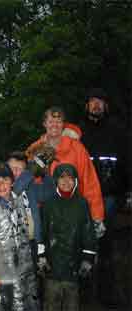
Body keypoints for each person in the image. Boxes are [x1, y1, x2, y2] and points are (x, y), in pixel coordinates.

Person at [79, 88, 130, 306]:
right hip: (83, 198)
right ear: (86, 106)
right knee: (83, 245)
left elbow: (128, 161)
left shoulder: (118, 131)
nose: (96, 105)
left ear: (105, 106)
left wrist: (128, 191)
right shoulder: (77, 133)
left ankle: (107, 293)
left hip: (109, 196)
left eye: (100, 101)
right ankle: (84, 293)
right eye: (92, 101)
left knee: (105, 245)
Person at [26, 106, 105, 238]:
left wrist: (96, 216)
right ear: (44, 124)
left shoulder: (77, 148)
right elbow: (30, 183)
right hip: (46, 213)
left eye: (58, 121)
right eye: (51, 121)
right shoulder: (35, 148)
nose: (54, 125)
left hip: (75, 211)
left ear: (63, 124)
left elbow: (90, 181)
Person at [0, 162, 39, 311]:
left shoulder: (17, 201)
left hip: (24, 266)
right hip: (2, 270)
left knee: (26, 301)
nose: (1, 184)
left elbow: (24, 230)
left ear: (12, 181)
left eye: (5, 179)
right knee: (5, 303)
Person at [39, 163, 97, 311]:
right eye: (62, 178)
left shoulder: (82, 204)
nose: (66, 181)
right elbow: (41, 233)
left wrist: (87, 259)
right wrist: (41, 257)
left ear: (75, 181)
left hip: (73, 267)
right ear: (56, 181)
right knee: (51, 304)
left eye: (70, 178)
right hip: (52, 267)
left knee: (72, 305)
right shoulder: (47, 204)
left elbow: (88, 232)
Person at [6, 151, 54, 263]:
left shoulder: (30, 187)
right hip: (13, 247)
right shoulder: (2, 189)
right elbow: (14, 192)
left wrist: (43, 172)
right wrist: (30, 172)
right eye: (11, 168)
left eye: (19, 169)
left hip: (33, 241)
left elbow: (49, 193)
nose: (15, 172)